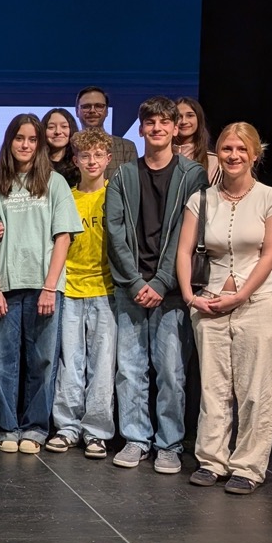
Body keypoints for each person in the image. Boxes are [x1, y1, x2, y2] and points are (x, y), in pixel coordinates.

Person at [178, 122, 272, 494]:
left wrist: (241, 296)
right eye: (227, 148)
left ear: (255, 154)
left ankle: (248, 467)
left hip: (256, 304)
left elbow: (270, 254)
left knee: (255, 390)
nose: (234, 155)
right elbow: (184, 251)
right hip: (209, 303)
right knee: (213, 389)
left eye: (242, 149)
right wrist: (190, 296)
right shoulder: (201, 199)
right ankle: (211, 460)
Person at [105, 97, 209, 471]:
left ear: (175, 128)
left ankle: (169, 443)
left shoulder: (193, 175)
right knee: (130, 370)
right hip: (131, 288)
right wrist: (135, 282)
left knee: (170, 372)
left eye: (165, 122)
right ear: (141, 128)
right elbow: (114, 231)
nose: (157, 128)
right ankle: (136, 439)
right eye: (150, 122)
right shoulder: (123, 175)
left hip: (172, 290)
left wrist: (163, 281)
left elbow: (187, 232)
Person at [0, 113, 80, 453]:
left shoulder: (55, 182)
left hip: (44, 288)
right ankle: (6, 427)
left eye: (32, 139)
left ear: (39, 145)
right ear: (9, 142)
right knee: (1, 362)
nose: (25, 145)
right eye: (19, 138)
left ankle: (35, 428)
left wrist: (50, 287)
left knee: (43, 362)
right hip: (5, 287)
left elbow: (63, 237)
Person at [48, 129, 117, 457]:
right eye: (85, 156)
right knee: (70, 363)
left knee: (102, 364)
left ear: (108, 159)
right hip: (71, 289)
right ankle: (67, 427)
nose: (92, 161)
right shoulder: (67, 197)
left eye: (98, 155)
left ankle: (97, 432)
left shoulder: (114, 196)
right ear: (75, 160)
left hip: (106, 290)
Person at [76, 86, 138, 178]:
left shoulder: (126, 147)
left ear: (107, 111)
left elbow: (132, 183)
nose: (92, 110)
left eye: (99, 106)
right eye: (86, 106)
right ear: (77, 111)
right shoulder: (70, 147)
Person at [175, 96, 221, 183]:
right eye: (178, 116)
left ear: (199, 120)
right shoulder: (161, 158)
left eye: (190, 115)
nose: (184, 121)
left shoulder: (213, 161)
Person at [43, 108, 80, 187]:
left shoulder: (80, 164)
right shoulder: (35, 164)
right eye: (51, 127)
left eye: (64, 126)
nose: (58, 132)